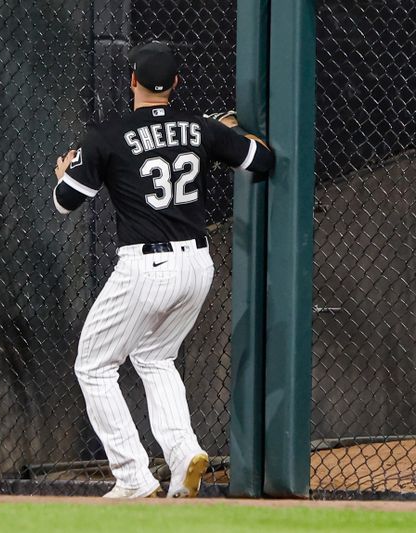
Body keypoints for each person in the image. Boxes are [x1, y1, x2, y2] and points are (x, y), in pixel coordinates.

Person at [52, 41, 274, 499]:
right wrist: (230, 135)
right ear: (175, 84)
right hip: (197, 264)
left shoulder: (107, 135)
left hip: (146, 265)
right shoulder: (202, 129)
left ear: (131, 81)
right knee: (155, 358)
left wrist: (63, 174)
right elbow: (262, 161)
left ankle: (132, 475)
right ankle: (184, 452)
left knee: (93, 366)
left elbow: (66, 202)